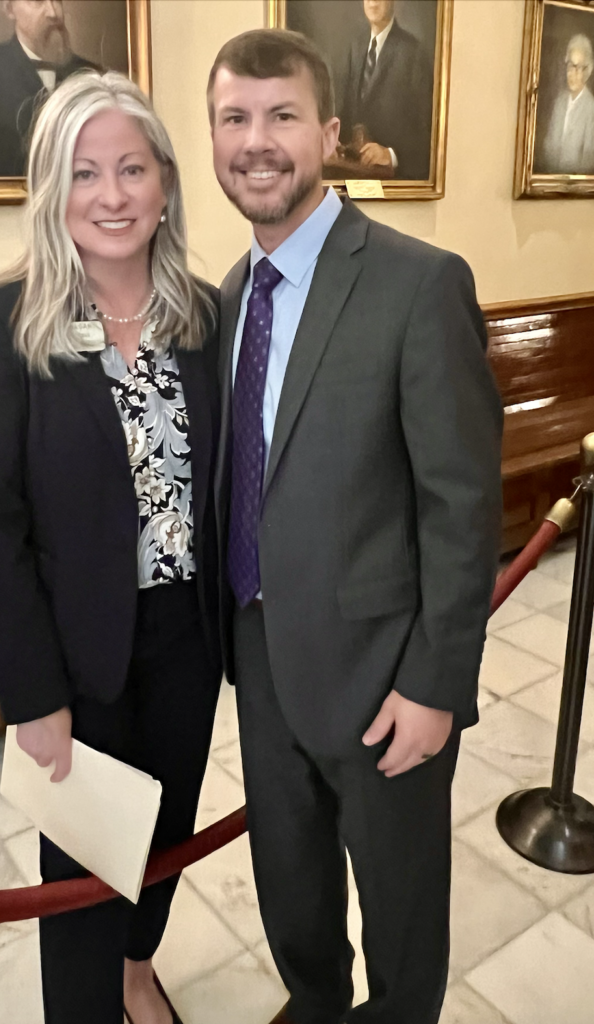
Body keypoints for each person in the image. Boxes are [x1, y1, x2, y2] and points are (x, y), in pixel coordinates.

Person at [208, 28, 502, 1024]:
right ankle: (316, 1003)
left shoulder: (420, 283)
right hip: (263, 659)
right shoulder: (231, 295)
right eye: (234, 118)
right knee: (291, 888)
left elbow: (462, 505)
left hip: (387, 678)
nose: (257, 140)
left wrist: (435, 683)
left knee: (403, 909)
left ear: (328, 132)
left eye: (281, 115)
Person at [0, 70, 222, 1024]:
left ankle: (138, 965)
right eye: (84, 173)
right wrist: (32, 697)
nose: (111, 196)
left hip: (187, 640)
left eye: (132, 170)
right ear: (50, 190)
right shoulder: (2, 324)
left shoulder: (204, 316)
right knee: (77, 874)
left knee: (167, 836)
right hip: (74, 655)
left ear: (164, 184)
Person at [0, 0, 101, 177]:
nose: (54, 12)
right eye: (37, 1)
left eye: (57, 0)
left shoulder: (91, 76)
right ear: (9, 9)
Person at [336, 0, 433, 180]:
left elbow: (428, 131)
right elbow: (345, 112)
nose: (373, 2)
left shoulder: (413, 52)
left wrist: (391, 155)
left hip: (394, 179)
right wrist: (334, 142)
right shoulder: (356, 47)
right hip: (354, 172)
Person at [539, 32, 594, 175]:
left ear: (587, 71)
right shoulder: (559, 102)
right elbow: (548, 146)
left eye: (578, 67)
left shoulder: (591, 109)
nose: (572, 73)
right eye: (570, 66)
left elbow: (589, 162)